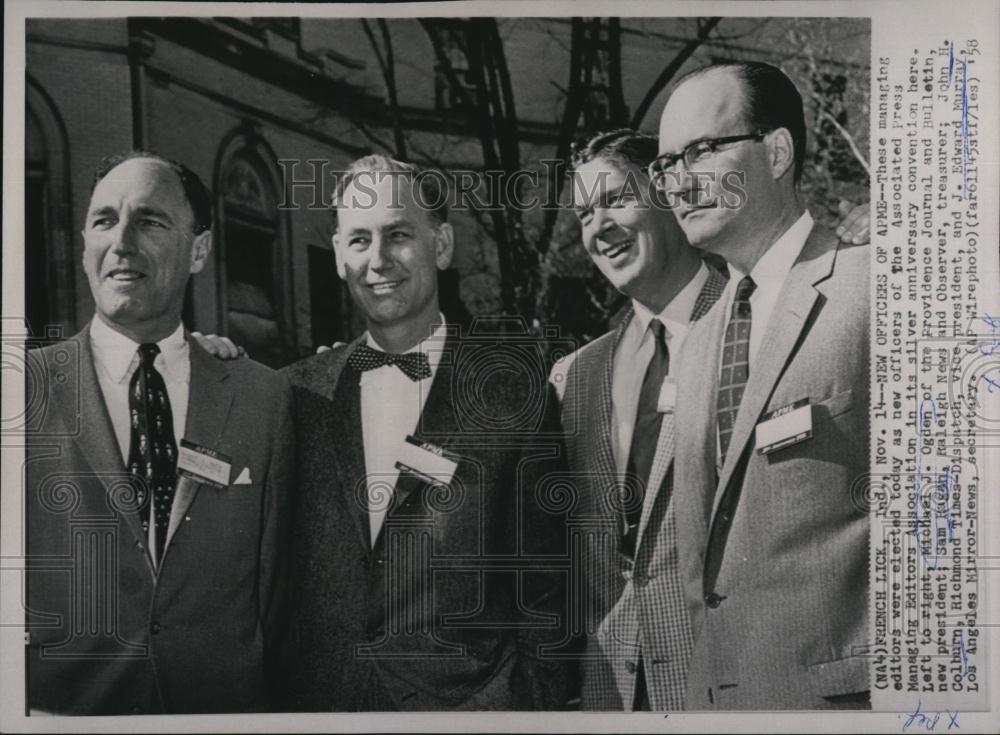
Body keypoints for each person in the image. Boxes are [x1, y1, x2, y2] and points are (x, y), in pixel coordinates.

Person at [550, 129, 869, 712]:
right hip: (612, 696)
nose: (598, 226)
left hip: (751, 687)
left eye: (617, 199)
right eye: (583, 212)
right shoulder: (573, 376)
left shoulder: (773, 322)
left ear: (672, 195)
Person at [276, 155, 571, 711]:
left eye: (398, 234)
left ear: (440, 246)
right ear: (339, 256)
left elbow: (547, 592)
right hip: (324, 711)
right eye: (359, 240)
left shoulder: (513, 394)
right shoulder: (293, 395)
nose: (378, 259)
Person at [24, 152, 293, 714]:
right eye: (103, 220)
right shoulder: (20, 394)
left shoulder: (262, 398)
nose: (121, 241)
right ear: (82, 245)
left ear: (199, 250)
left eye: (149, 221)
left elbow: (276, 593)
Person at [654, 60, 870, 709]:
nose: (679, 182)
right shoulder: (695, 345)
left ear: (776, 151)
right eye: (666, 166)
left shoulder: (879, 292)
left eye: (700, 151)